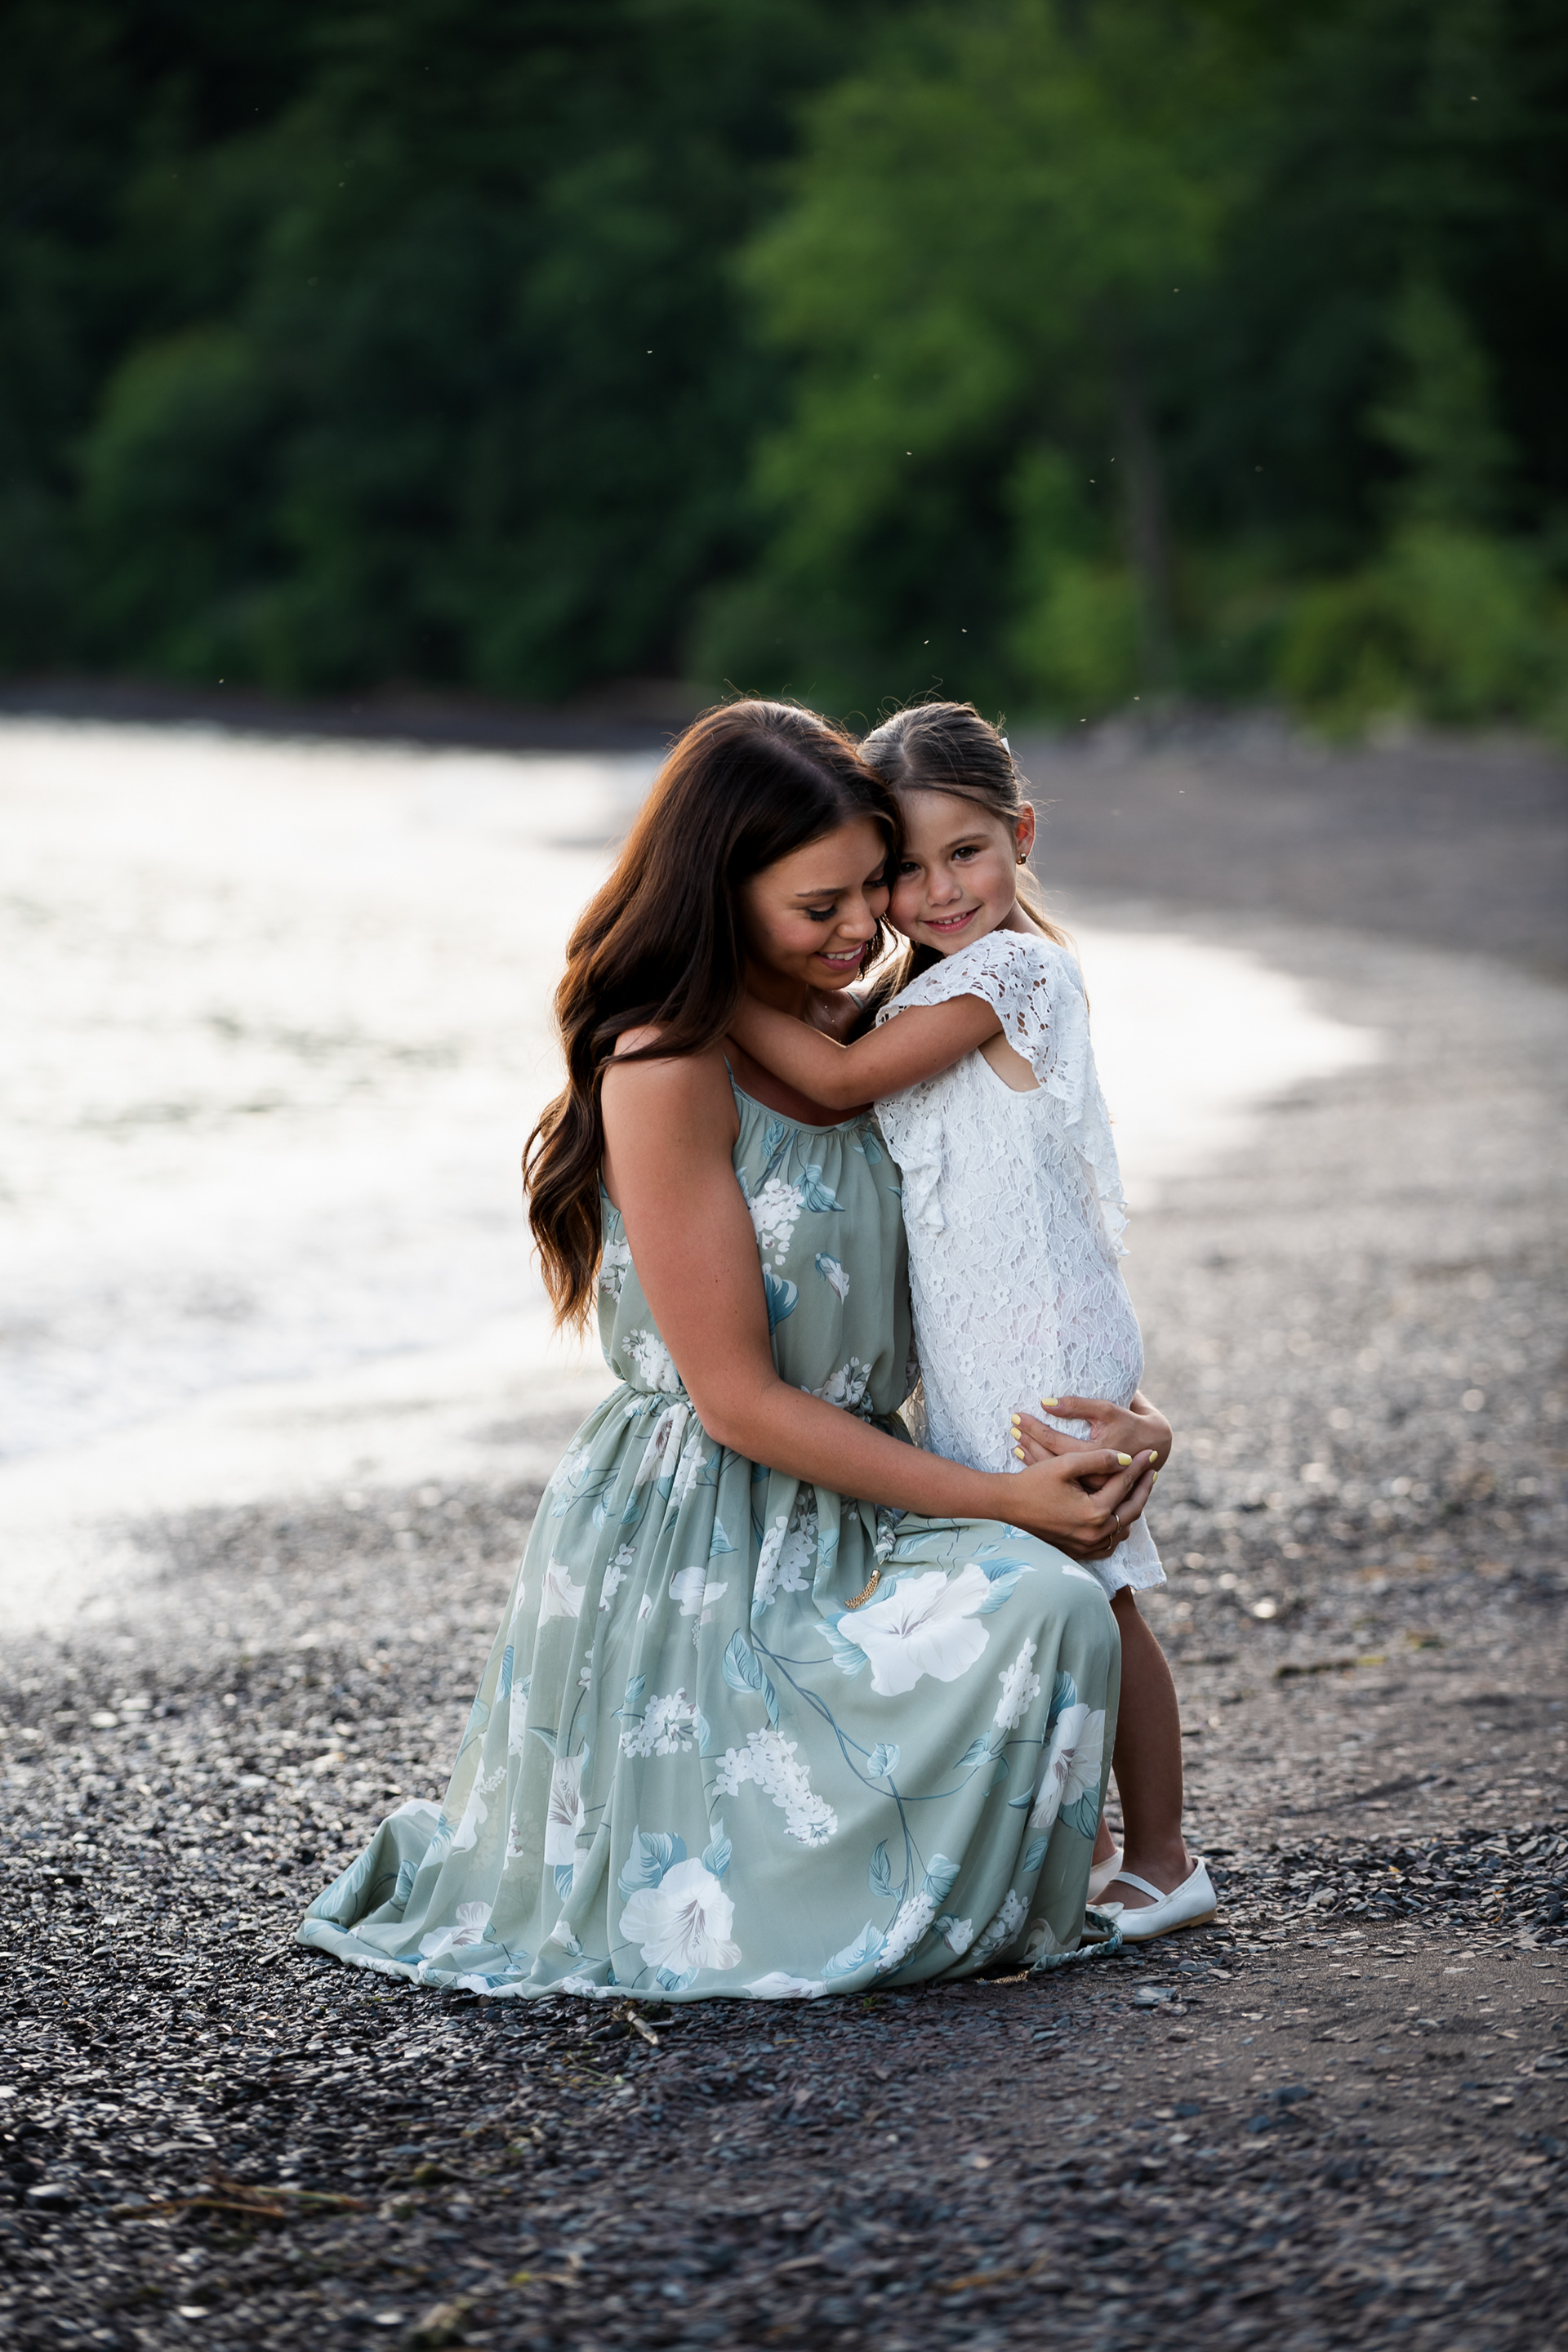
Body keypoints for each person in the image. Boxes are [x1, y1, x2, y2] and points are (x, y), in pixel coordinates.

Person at [296, 700, 1156, 1999]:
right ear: (723, 896)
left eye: (875, 888)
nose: (867, 927)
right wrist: (997, 1499)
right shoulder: (663, 1066)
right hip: (709, 1529)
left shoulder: (864, 1039)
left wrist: (1126, 1415)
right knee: (1043, 1598)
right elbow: (739, 1402)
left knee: (1063, 1609)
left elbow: (1010, 1257)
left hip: (865, 1494)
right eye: (824, 907)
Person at [728, 702, 1214, 1942]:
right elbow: (833, 1066)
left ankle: (1165, 1855)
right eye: (902, 868)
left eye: (968, 853)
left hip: (1044, 1342)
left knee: (1098, 1601)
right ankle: (1089, 1846)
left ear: (1023, 835)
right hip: (976, 1349)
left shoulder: (1016, 972)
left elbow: (833, 1081)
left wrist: (681, 988)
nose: (939, 891)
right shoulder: (920, 989)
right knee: (1028, 1601)